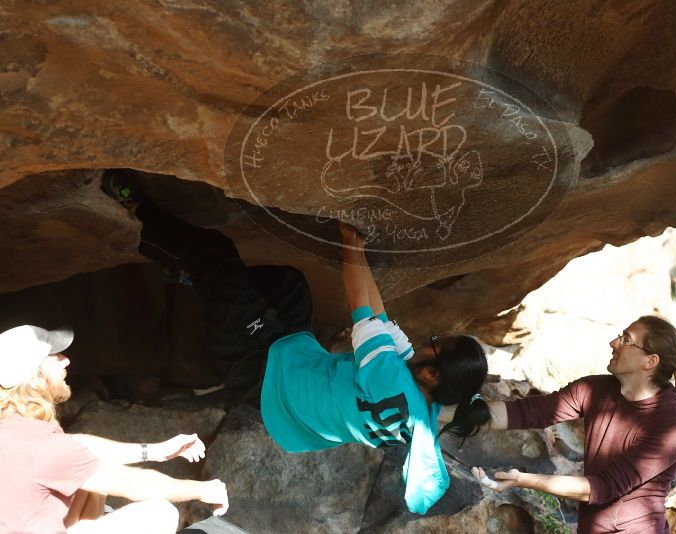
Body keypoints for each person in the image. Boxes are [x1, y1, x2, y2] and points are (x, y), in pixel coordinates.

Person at [99, 168, 493, 513]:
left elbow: (359, 306)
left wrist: (349, 244)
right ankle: (202, 281)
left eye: (435, 344)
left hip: (263, 374)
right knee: (289, 285)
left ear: (432, 373)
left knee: (215, 254)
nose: (427, 340)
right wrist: (360, 253)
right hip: (293, 371)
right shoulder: (420, 405)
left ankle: (137, 207)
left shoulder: (392, 380)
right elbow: (381, 317)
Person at [469, 316, 676, 534]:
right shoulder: (594, 389)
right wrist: (446, 412)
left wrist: (522, 480)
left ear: (650, 361)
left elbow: (601, 488)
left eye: (626, 340)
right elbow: (525, 412)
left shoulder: (671, 425)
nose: (613, 343)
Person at [0, 324, 229, 534]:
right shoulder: (43, 447)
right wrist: (204, 490)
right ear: (32, 378)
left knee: (88, 486)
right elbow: (132, 485)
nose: (66, 360)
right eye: (54, 356)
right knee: (160, 514)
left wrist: (157, 451)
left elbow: (78, 446)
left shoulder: (15, 429)